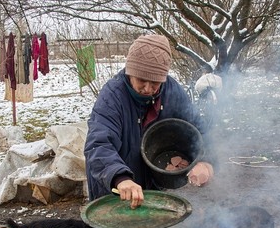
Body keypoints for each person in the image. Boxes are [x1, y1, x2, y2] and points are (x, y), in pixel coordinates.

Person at [84, 34, 214, 207]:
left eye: (155, 83)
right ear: (130, 72)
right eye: (141, 80)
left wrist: (207, 161)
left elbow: (198, 128)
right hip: (116, 190)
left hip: (153, 185)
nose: (147, 89)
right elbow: (98, 144)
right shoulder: (112, 96)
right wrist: (120, 177)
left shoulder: (171, 90)